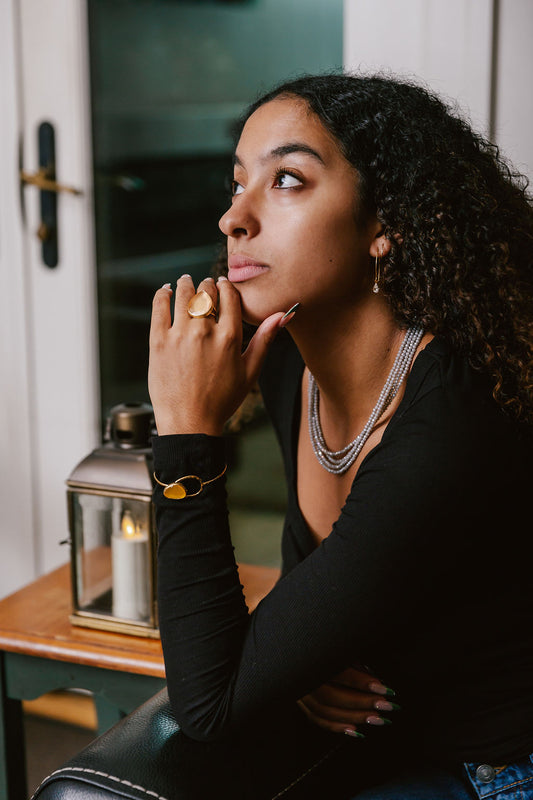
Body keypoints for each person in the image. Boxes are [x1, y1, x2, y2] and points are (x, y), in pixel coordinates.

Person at [147, 73, 533, 799]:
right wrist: (293, 663)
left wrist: (185, 434)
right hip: (388, 747)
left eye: (286, 180)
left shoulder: (453, 419)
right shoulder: (287, 361)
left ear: (385, 222)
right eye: (236, 184)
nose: (235, 217)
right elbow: (287, 631)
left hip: (501, 774)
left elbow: (209, 704)